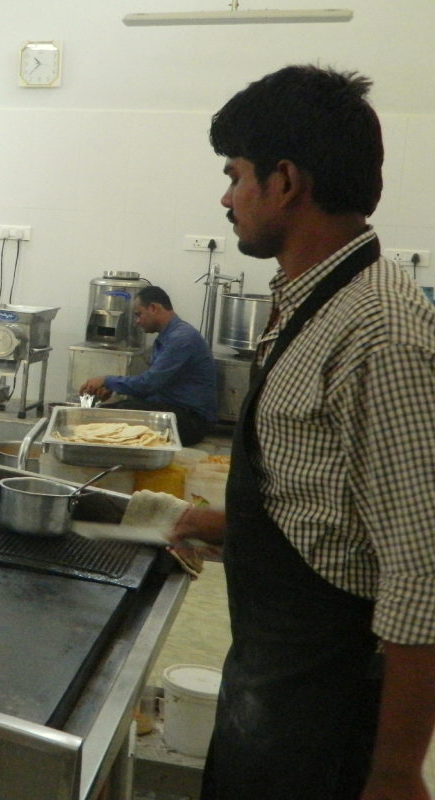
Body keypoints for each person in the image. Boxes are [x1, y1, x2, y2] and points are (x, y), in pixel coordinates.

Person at [172, 65, 435, 800]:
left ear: (284, 180)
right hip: (270, 694)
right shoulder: (314, 299)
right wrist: (224, 525)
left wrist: (393, 773)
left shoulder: (382, 331)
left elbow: (421, 574)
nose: (227, 197)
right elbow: (325, 501)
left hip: (325, 721)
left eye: (236, 175)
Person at [79, 285, 218, 446]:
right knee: (107, 412)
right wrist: (115, 388)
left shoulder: (182, 339)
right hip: (175, 410)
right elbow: (150, 385)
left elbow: (147, 384)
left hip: (192, 422)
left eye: (139, 314)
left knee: (111, 419)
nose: (137, 321)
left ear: (153, 308)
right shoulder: (167, 338)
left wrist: (107, 381)